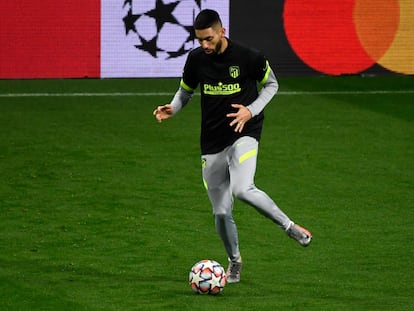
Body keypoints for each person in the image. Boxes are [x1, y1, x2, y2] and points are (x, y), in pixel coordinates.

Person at [153, 9, 312, 283]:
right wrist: (173, 107)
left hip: (244, 132)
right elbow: (185, 91)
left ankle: (290, 227)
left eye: (209, 39)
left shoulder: (248, 56)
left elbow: (272, 85)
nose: (205, 45)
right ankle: (235, 262)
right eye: (200, 39)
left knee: (242, 189)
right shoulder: (196, 59)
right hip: (211, 141)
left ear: (222, 31)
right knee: (221, 211)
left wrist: (251, 110)